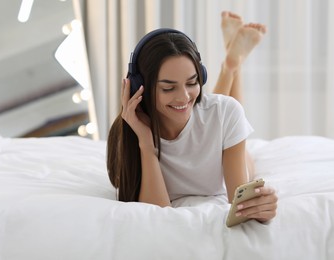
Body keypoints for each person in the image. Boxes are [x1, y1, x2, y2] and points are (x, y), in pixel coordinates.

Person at [107, 11, 277, 223]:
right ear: (140, 86)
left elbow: (239, 204)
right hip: (203, 123)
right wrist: (146, 145)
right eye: (168, 88)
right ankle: (233, 63)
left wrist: (261, 208)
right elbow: (157, 215)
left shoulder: (224, 111)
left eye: (191, 82)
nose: (183, 96)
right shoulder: (130, 134)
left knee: (224, 112)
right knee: (216, 113)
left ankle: (232, 66)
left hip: (232, 152)